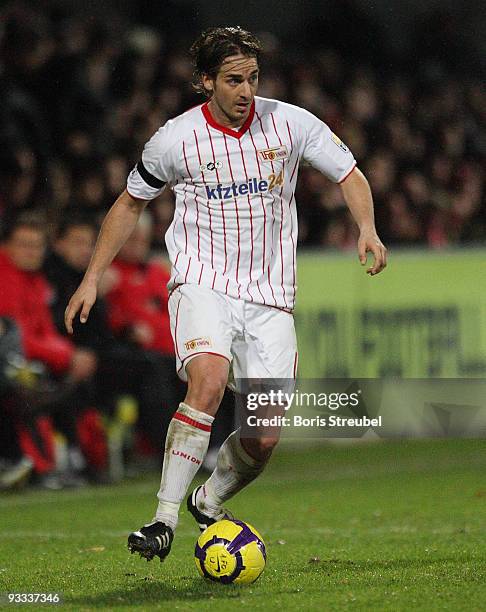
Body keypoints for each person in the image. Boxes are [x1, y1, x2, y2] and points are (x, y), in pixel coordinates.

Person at [65, 26, 387, 563]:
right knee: (208, 380)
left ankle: (208, 500)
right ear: (205, 81)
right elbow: (129, 204)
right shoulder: (174, 139)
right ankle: (162, 518)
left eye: (253, 78)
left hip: (270, 295)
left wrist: (368, 229)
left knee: (262, 437)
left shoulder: (291, 123)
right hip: (202, 281)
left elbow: (350, 175)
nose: (246, 91)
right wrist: (93, 275)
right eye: (234, 79)